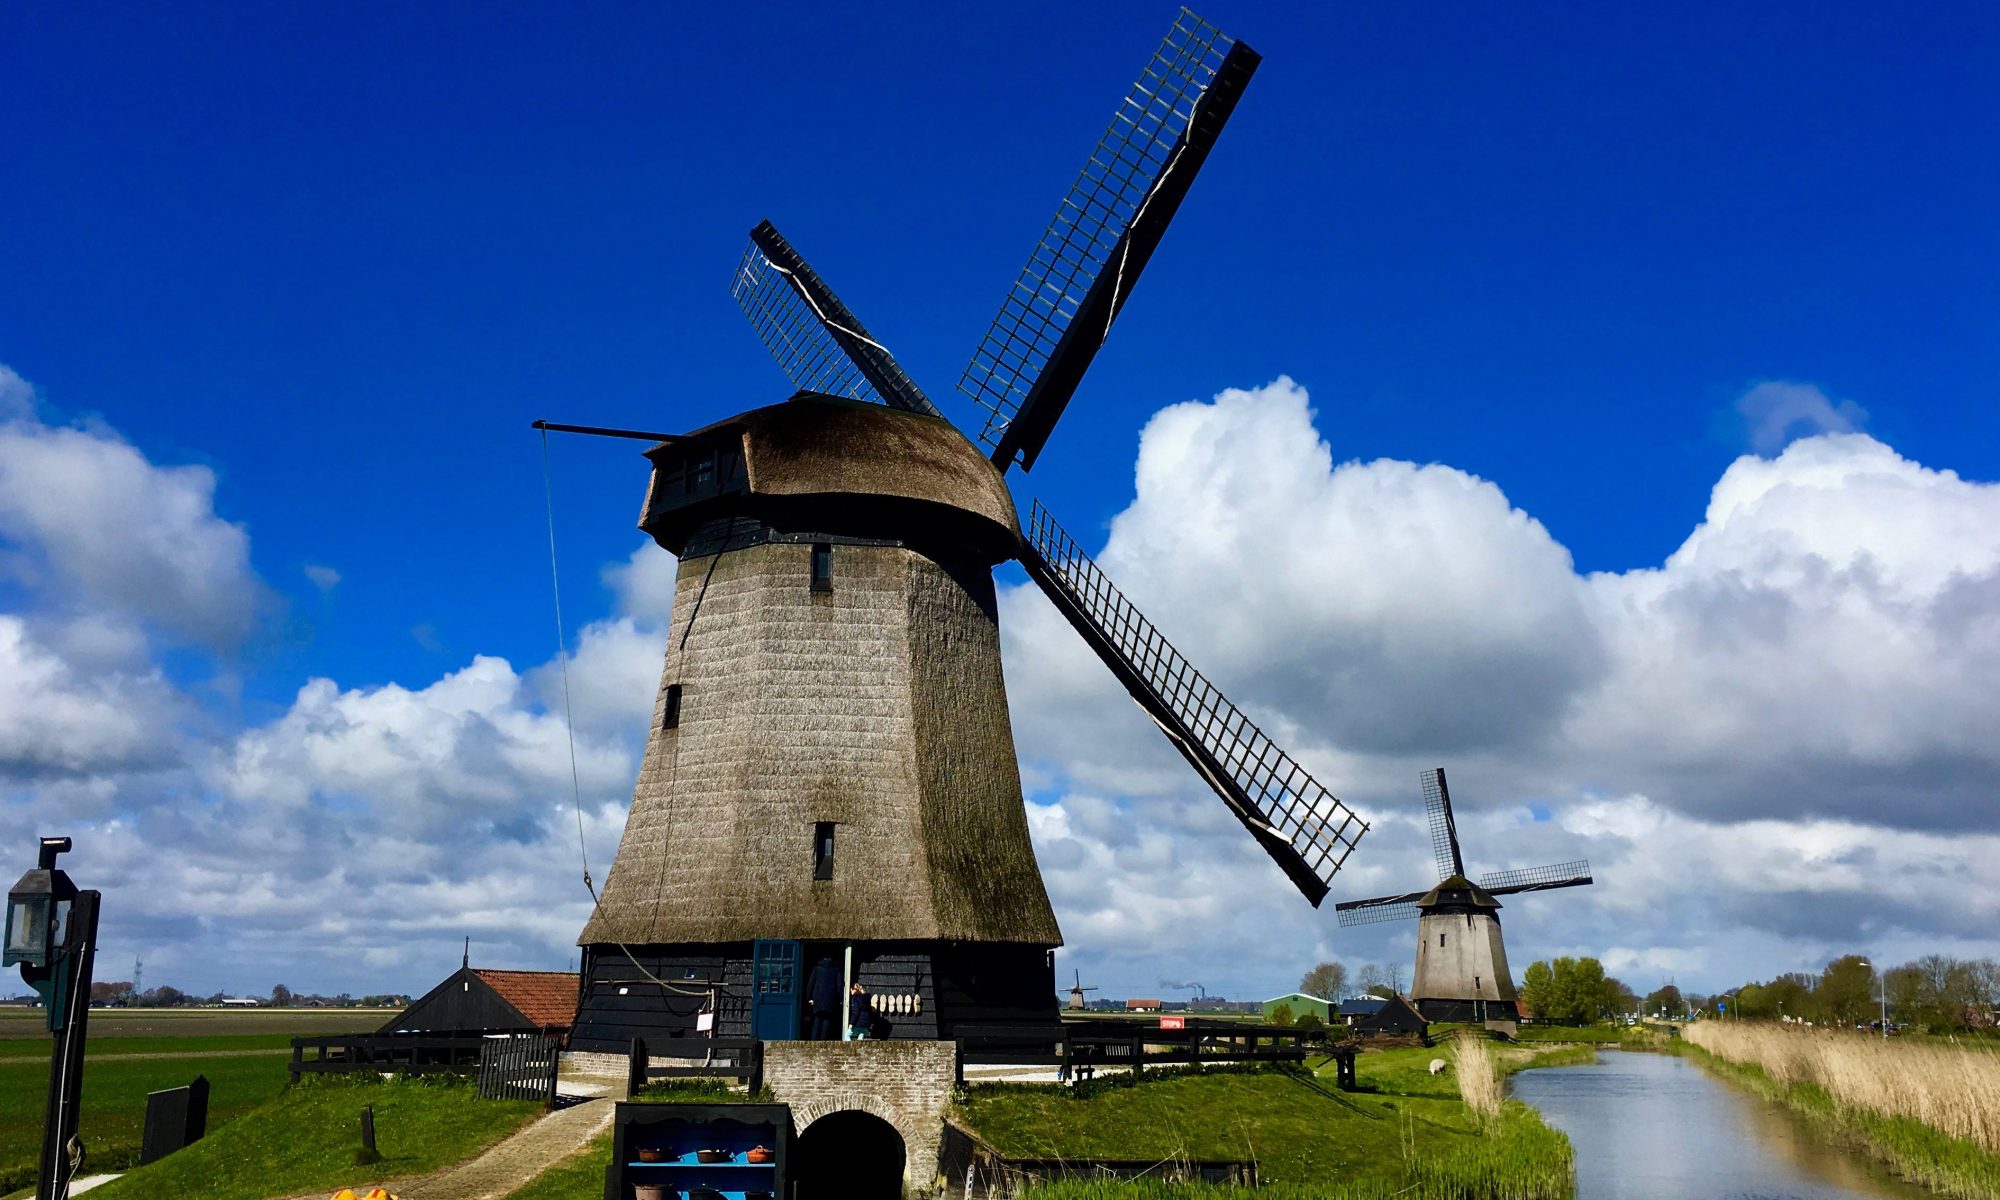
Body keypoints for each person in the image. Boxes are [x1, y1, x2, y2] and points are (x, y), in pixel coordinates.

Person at [806, 957, 840, 1041]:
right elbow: (839, 986)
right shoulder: (836, 970)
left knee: (817, 1021)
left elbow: (811, 984)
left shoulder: (816, 969)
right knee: (827, 1022)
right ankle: (823, 1042)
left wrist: (809, 997)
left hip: (817, 999)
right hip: (830, 1000)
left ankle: (813, 1042)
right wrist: (840, 999)